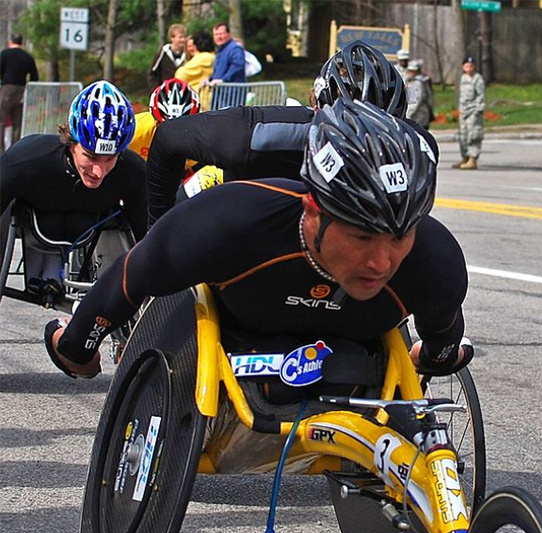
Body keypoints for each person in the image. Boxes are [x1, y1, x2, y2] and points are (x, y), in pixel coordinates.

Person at [44, 99, 472, 389]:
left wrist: (74, 349)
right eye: (362, 236)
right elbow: (133, 274)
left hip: (350, 350)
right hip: (240, 318)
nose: (382, 262)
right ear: (314, 210)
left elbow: (441, 347)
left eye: (400, 237)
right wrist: (82, 341)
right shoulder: (229, 219)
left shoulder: (437, 260)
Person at [145, 40, 438, 226]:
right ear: (318, 115)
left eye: (380, 132)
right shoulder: (258, 135)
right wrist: (154, 234)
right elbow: (170, 136)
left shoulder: (417, 147)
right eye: (351, 131)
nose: (364, 148)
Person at [1, 80, 147, 284]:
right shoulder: (25, 160)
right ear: (71, 142)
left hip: (90, 222)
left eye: (110, 159)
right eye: (91, 157)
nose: (98, 172)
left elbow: (152, 240)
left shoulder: (133, 172)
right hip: (35, 216)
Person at [129, 78, 200, 161]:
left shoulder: (202, 143)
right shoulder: (134, 131)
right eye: (165, 129)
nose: (173, 136)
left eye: (181, 130)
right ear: (155, 120)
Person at [0, 33, 39, 153]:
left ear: (10, 41)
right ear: (21, 42)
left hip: (7, 89)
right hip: (22, 90)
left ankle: (1, 150)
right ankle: (14, 150)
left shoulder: (5, 54)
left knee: (1, 120)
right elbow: (34, 76)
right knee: (17, 122)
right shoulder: (27, 56)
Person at [453, 56, 485, 170]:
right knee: (463, 135)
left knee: (473, 135)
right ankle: (465, 157)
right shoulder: (462, 78)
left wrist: (477, 110)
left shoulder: (477, 79)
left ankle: (472, 158)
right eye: (466, 66)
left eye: (471, 66)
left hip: (473, 110)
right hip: (463, 110)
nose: (469, 68)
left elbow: (480, 96)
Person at [148, 23, 186, 92]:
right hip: (166, 92)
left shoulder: (186, 54)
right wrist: (156, 91)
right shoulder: (163, 53)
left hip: (182, 92)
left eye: (184, 37)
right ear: (172, 38)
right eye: (180, 37)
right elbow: (153, 73)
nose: (182, 40)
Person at [405, 59, 434, 130]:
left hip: (417, 117)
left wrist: (407, 115)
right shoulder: (424, 80)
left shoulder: (415, 84)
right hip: (424, 115)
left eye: (412, 71)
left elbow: (413, 102)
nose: (410, 73)